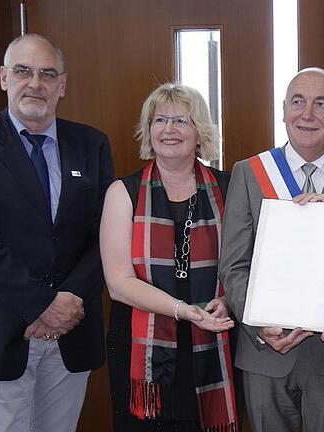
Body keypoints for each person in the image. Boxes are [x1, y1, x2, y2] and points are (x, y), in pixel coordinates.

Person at [219, 67, 324, 432]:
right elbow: (233, 265)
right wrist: (261, 326)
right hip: (264, 354)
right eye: (298, 101)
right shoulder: (249, 172)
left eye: (321, 104)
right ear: (283, 109)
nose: (307, 114)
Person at [0, 34, 114, 432]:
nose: (35, 83)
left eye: (47, 74)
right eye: (23, 71)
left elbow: (104, 233)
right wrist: (41, 304)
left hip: (71, 330)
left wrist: (68, 302)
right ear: (4, 78)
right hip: (2, 330)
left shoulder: (91, 144)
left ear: (62, 85)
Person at [100, 83, 238, 431]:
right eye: (160, 119)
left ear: (200, 131)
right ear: (149, 129)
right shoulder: (123, 192)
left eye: (182, 120)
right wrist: (183, 311)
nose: (169, 129)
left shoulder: (231, 187)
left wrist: (228, 299)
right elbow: (118, 284)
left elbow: (248, 264)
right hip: (140, 348)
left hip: (215, 342)